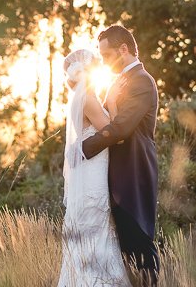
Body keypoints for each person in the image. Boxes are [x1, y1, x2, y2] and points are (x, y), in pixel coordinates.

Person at [67, 25, 161, 286]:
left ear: (124, 49)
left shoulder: (142, 81)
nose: (104, 62)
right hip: (115, 176)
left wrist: (83, 149)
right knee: (123, 252)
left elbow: (120, 128)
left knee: (140, 242)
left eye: (107, 55)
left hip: (133, 172)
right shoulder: (120, 83)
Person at [57, 48, 131, 287]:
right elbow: (115, 134)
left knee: (93, 237)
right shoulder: (88, 99)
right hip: (92, 178)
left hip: (91, 172)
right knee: (97, 234)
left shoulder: (84, 98)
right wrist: (111, 101)